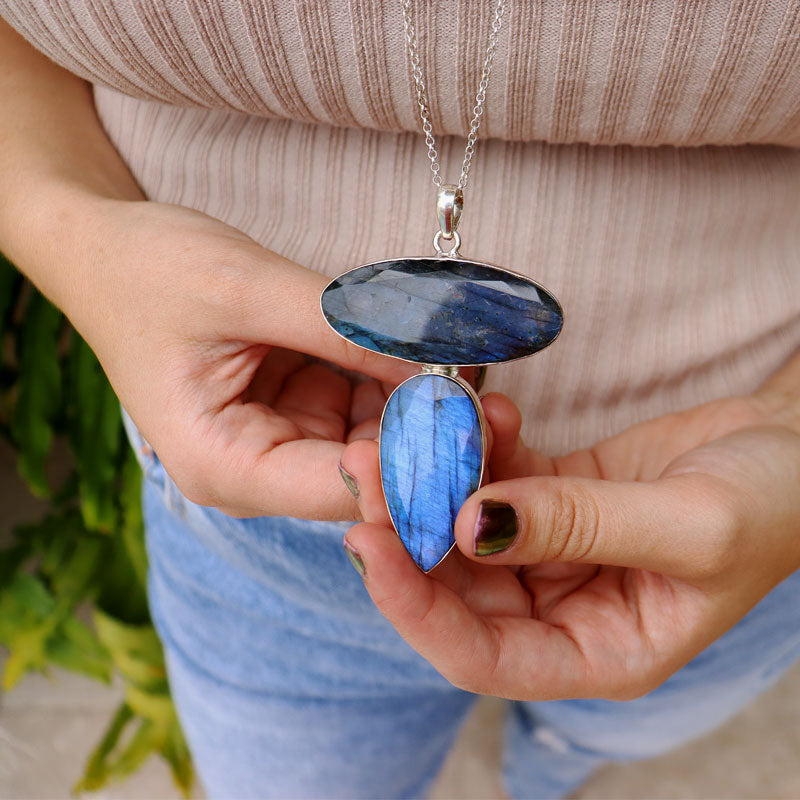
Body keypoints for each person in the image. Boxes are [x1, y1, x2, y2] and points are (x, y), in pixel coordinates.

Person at [1, 4, 798, 798]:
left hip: (724, 520)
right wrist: (70, 227)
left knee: (605, 731)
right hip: (259, 520)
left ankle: (547, 768)